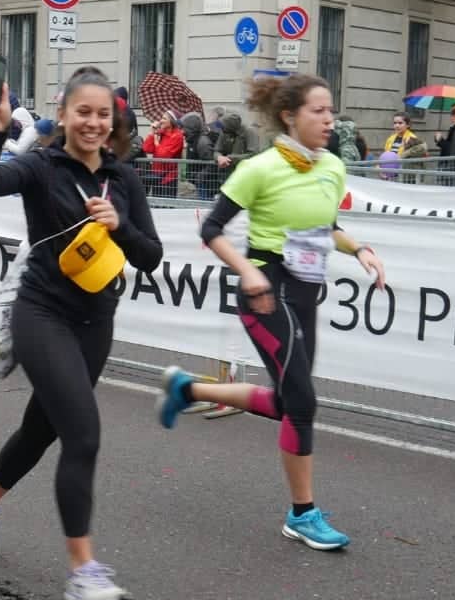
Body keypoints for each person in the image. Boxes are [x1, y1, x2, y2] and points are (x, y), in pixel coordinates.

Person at [156, 73, 387, 551]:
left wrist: (359, 249)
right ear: (290, 116)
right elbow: (213, 229)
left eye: (331, 110)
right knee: (302, 401)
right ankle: (302, 514)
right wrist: (249, 271)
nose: (329, 119)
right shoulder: (259, 168)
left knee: (287, 402)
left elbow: (326, 227)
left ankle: (187, 388)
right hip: (264, 290)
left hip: (303, 293)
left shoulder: (331, 168)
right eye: (318, 111)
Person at [0, 67, 163, 600]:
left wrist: (122, 224)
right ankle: (83, 568)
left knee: (40, 430)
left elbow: (151, 257)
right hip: (42, 313)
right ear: (65, 113)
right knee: (83, 434)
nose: (94, 123)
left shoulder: (124, 179)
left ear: (113, 119)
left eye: (103, 114)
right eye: (83, 112)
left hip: (96, 321)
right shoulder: (41, 167)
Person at [141, 113, 185, 194]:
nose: (161, 121)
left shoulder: (177, 136)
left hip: (168, 178)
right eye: (161, 118)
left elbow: (164, 155)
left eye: (164, 118)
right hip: (156, 175)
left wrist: (157, 143)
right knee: (156, 203)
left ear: (171, 121)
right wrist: (152, 133)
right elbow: (147, 149)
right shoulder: (161, 133)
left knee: (166, 204)